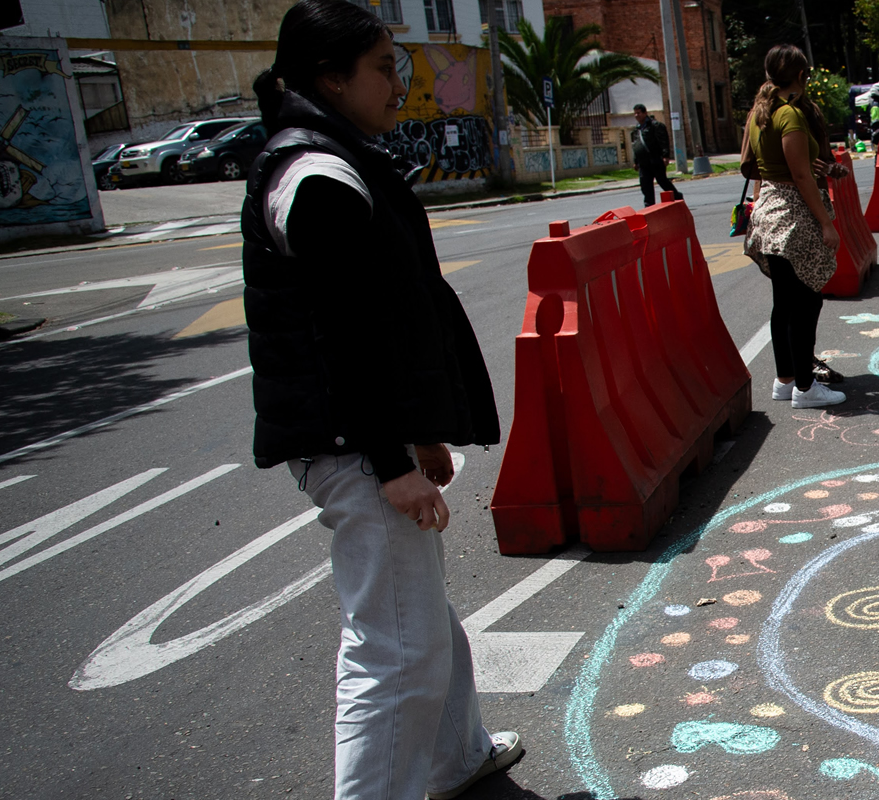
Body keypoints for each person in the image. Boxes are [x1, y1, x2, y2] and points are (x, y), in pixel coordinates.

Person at [242, 2, 519, 798]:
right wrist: (391, 458)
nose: (400, 84)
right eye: (384, 67)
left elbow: (390, 321)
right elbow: (346, 341)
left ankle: (455, 756)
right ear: (331, 78)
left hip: (368, 438)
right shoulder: (317, 176)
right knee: (393, 646)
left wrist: (421, 434)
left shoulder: (338, 156)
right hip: (353, 445)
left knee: (417, 617)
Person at [744, 44, 849, 409]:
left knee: (784, 304)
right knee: (805, 303)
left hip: (769, 210)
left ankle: (785, 379)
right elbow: (801, 174)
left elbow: (756, 166)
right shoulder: (790, 114)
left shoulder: (760, 112)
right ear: (802, 77)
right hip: (792, 215)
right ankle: (806, 388)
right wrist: (826, 223)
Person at [631, 104, 682, 207]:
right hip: (643, 163)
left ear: (645, 113)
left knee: (662, 181)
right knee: (645, 185)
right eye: (635, 113)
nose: (637, 115)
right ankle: (649, 206)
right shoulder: (636, 131)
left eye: (639, 113)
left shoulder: (656, 126)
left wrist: (665, 155)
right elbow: (636, 146)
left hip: (655, 160)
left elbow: (663, 141)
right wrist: (635, 161)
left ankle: (677, 197)